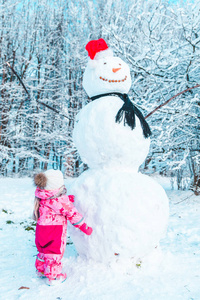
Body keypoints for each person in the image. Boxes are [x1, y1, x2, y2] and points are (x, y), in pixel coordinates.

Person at [33, 169, 93, 286]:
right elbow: (72, 214)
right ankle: (53, 277)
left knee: (43, 250)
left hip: (41, 230)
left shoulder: (42, 195)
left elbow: (55, 204)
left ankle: (40, 270)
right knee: (54, 253)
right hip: (54, 231)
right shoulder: (60, 201)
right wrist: (84, 227)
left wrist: (67, 199)